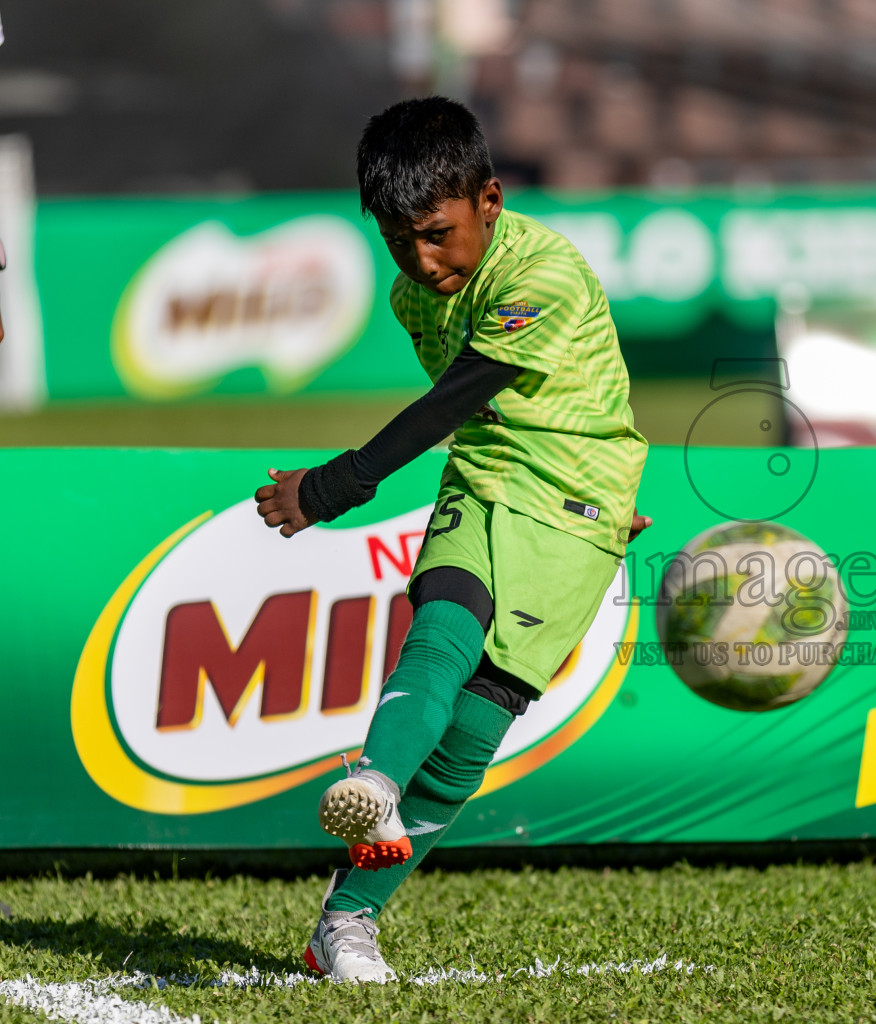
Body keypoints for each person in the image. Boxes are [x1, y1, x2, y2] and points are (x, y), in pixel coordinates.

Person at [254, 97, 650, 983]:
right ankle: (379, 784)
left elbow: (454, 397)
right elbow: (478, 422)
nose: (422, 262)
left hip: (581, 503)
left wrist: (331, 487)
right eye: (400, 241)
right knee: (445, 622)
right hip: (488, 473)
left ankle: (342, 923)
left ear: (492, 201)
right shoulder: (411, 296)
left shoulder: (539, 274)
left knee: (475, 731)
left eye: (437, 234)